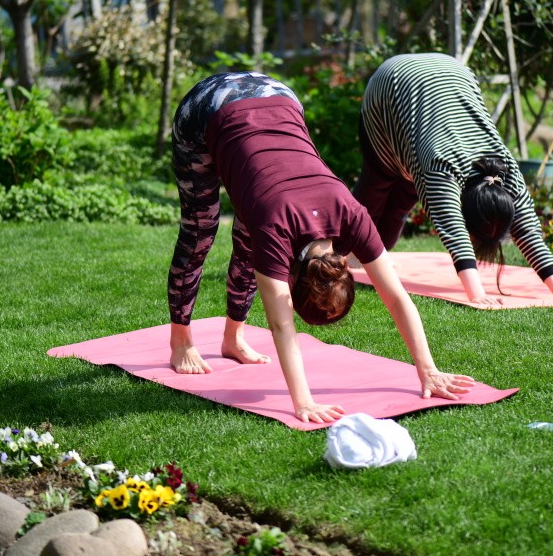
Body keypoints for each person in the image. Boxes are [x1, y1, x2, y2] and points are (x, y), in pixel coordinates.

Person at [167, 71, 475, 424]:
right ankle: (181, 342)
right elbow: (282, 327)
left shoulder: (352, 215)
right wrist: (303, 402)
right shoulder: (277, 228)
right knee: (200, 230)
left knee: (249, 236)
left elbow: (397, 298)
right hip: (209, 106)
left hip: (279, 93)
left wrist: (429, 370)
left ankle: (232, 340)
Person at [354, 52, 553, 305]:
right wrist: (477, 294)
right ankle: (343, 248)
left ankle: (371, 251)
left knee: (403, 198)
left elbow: (528, 229)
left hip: (449, 76)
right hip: (390, 86)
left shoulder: (506, 168)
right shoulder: (441, 167)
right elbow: (454, 231)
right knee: (377, 186)